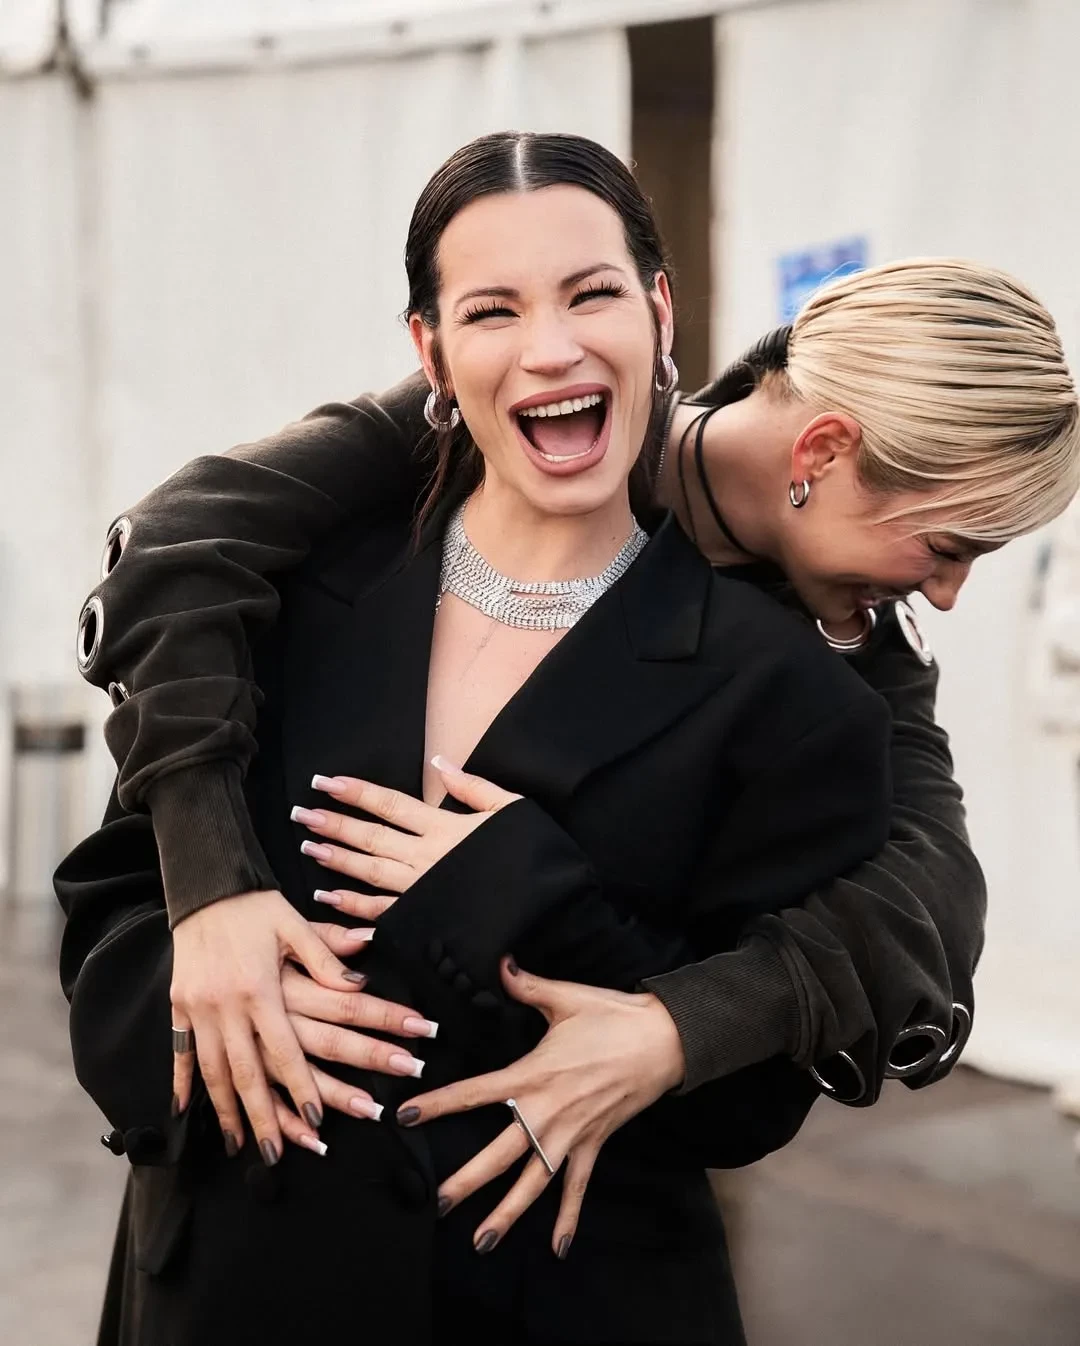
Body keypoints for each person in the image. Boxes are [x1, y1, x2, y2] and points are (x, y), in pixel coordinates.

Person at [59, 129, 898, 1346]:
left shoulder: (791, 696)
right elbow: (107, 904)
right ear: (432, 352)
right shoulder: (281, 597)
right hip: (230, 1289)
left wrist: (525, 893)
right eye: (493, 310)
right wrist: (201, 993)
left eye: (592, 293)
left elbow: (751, 1103)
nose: (551, 347)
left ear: (660, 313)